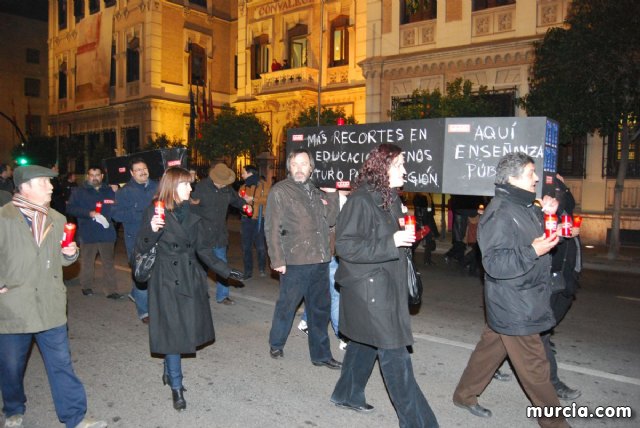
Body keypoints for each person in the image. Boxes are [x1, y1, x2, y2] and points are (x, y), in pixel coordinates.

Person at [452, 152, 569, 428]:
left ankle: (463, 395)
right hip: (516, 303)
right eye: (531, 173)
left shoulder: (525, 206)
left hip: (521, 298)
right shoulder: (499, 213)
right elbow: (494, 263)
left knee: (489, 350)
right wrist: (533, 251)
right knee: (536, 368)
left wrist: (548, 213)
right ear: (513, 178)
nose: (537, 178)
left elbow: (529, 234)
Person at [329, 144, 439, 427]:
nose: (405, 170)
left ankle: (346, 393)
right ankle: (418, 422)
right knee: (395, 355)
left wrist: (402, 238)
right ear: (383, 168)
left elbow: (386, 238)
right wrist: (390, 242)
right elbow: (345, 246)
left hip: (385, 284)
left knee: (364, 343)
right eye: (400, 165)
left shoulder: (389, 198)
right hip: (370, 291)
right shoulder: (362, 200)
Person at [0, 165, 107, 428]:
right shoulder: (3, 218)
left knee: (62, 365)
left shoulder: (57, 219)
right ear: (24, 187)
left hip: (51, 305)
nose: (50, 187)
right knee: (12, 367)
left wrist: (70, 253)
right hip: (15, 306)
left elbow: (62, 258)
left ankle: (75, 416)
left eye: (50, 183)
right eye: (44, 183)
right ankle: (14, 408)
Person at [134, 167, 245, 411]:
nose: (191, 188)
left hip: (189, 276)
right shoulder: (156, 209)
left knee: (182, 329)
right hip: (165, 278)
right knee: (174, 333)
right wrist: (152, 230)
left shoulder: (192, 212)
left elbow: (203, 250)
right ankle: (176, 385)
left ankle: (167, 367)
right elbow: (140, 246)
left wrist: (225, 271)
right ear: (173, 186)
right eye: (186, 184)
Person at [265, 148, 341, 369]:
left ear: (311, 168)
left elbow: (331, 221)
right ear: (289, 167)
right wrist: (277, 259)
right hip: (294, 261)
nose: (299, 168)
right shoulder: (280, 191)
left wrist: (333, 195)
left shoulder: (318, 193)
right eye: (295, 164)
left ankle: (321, 355)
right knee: (287, 305)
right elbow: (272, 228)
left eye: (304, 164)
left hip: (320, 260)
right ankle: (276, 342)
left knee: (320, 309)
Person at [542, 174, 582, 400]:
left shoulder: (563, 210)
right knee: (541, 334)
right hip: (548, 280)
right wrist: (559, 232)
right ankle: (553, 383)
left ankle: (467, 391)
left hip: (564, 279)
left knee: (502, 336)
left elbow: (569, 203)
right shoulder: (541, 213)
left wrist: (564, 185)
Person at [298, 187, 350, 351]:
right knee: (335, 295)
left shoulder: (342, 199)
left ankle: (305, 320)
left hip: (331, 253)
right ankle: (342, 335)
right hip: (327, 253)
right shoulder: (327, 199)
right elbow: (329, 222)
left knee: (321, 290)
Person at [191, 163, 249, 304]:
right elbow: (191, 209)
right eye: (222, 183)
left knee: (222, 265)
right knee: (202, 267)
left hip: (219, 234)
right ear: (214, 178)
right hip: (203, 234)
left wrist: (244, 205)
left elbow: (236, 200)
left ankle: (222, 296)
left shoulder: (227, 190)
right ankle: (201, 294)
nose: (224, 185)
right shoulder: (201, 188)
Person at [112, 158, 158, 323]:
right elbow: (116, 214)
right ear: (132, 173)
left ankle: (147, 300)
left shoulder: (157, 187)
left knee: (156, 273)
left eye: (144, 168)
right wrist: (139, 213)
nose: (142, 171)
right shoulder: (124, 192)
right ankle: (144, 311)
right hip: (136, 239)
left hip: (157, 237)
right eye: (138, 169)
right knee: (141, 274)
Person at [66, 167, 122, 299]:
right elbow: (70, 208)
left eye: (97, 175)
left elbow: (119, 206)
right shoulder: (79, 192)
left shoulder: (110, 190)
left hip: (106, 232)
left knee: (108, 262)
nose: (95, 177)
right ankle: (86, 286)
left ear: (102, 176)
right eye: (92, 175)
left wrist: (117, 193)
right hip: (88, 232)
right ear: (87, 176)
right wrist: (88, 213)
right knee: (87, 261)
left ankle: (111, 290)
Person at [238, 165, 270, 278]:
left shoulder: (263, 185)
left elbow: (269, 199)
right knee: (246, 247)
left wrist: (253, 199)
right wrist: (242, 200)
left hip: (259, 219)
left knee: (261, 247)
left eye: (243, 172)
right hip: (246, 219)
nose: (242, 175)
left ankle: (262, 267)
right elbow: (238, 201)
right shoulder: (243, 186)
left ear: (250, 173)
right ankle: (248, 271)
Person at [413, 193, 439, 265]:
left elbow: (429, 212)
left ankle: (427, 260)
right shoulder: (420, 196)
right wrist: (421, 225)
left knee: (429, 241)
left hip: (428, 222)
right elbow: (419, 212)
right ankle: (410, 254)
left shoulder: (427, 196)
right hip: (424, 223)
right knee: (417, 240)